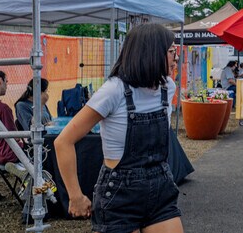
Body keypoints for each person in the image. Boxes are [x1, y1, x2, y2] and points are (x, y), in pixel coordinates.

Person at [54, 23, 183, 233]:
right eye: (171, 52)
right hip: (120, 196)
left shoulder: (168, 88)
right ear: (151, 53)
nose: (176, 58)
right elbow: (63, 142)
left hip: (161, 189)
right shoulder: (114, 90)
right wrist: (75, 195)